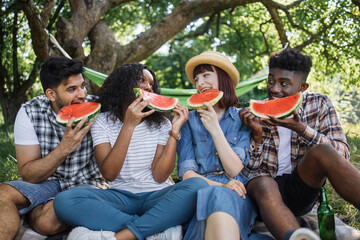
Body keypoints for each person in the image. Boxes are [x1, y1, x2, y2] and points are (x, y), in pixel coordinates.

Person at [53, 62, 208, 240]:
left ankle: (127, 235)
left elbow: (159, 176)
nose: (148, 87)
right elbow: (109, 174)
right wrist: (128, 125)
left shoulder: (161, 123)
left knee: (198, 186)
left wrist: (174, 131)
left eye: (151, 84)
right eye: (141, 80)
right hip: (119, 198)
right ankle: (154, 229)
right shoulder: (102, 121)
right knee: (65, 201)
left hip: (157, 196)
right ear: (123, 83)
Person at [239, 48, 360, 240]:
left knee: (322, 151)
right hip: (263, 195)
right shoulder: (253, 113)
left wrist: (301, 129)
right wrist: (258, 135)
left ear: (302, 88)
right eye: (271, 81)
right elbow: (245, 172)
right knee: (263, 183)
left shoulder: (319, 103)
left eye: (284, 83)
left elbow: (341, 155)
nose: (275, 89)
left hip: (303, 189)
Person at [0, 57, 107, 240]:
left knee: (45, 222)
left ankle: (33, 213)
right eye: (72, 89)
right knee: (3, 194)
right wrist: (64, 148)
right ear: (51, 94)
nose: (81, 94)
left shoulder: (99, 108)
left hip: (88, 181)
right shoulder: (30, 112)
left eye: (82, 86)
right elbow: (29, 174)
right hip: (47, 182)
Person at [177, 51, 271, 240]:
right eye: (196, 79)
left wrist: (215, 129)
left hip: (236, 193)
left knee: (220, 197)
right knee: (217, 194)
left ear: (223, 78)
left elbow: (234, 168)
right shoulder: (188, 121)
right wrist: (219, 185)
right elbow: (187, 175)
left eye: (206, 75)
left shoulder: (242, 118)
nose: (199, 83)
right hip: (200, 190)